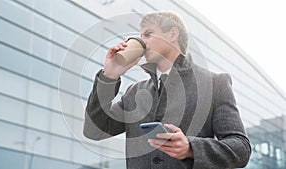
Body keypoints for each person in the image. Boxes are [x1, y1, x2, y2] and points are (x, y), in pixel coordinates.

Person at [83, 11, 251, 169]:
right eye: (140, 36)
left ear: (173, 34)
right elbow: (94, 131)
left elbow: (241, 149)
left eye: (148, 34)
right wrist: (110, 76)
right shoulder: (134, 92)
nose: (142, 41)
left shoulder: (215, 83)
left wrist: (191, 148)